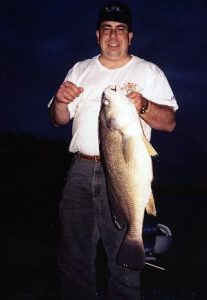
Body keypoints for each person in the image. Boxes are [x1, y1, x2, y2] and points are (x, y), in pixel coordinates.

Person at [48, 1, 178, 299]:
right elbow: (58, 119)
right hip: (80, 171)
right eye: (106, 29)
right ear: (97, 35)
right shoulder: (80, 69)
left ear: (130, 36)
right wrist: (59, 101)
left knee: (124, 269)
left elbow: (169, 122)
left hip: (125, 174)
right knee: (74, 260)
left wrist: (143, 105)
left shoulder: (149, 72)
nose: (113, 36)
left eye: (121, 29)